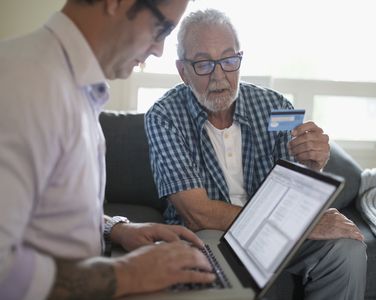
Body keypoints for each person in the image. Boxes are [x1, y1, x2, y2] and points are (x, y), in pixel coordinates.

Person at [0, 1, 218, 299]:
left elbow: (47, 209)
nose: (159, 50)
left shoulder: (72, 84)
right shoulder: (23, 86)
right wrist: (128, 274)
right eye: (161, 28)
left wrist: (113, 228)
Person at [145, 8, 367, 300]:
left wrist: (313, 167)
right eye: (203, 64)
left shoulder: (274, 105)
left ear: (240, 59)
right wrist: (307, 225)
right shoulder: (164, 116)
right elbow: (197, 213)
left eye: (229, 60)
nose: (219, 75)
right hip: (211, 233)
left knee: (345, 250)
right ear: (183, 70)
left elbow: (297, 191)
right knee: (216, 264)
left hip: (277, 232)